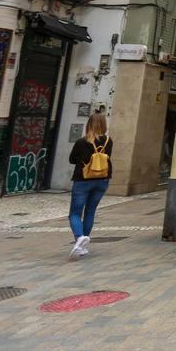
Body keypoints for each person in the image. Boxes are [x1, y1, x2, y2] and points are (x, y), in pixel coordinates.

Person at [67, 110, 112, 259]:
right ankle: (81, 244)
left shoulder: (82, 142)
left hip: (83, 180)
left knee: (74, 213)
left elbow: (72, 159)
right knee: (90, 211)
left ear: (89, 124)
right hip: (102, 180)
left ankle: (79, 237)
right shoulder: (108, 141)